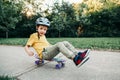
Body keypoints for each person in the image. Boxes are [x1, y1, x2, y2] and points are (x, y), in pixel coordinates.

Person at [24, 17, 90, 67]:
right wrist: (28, 51)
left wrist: (53, 47)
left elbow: (47, 45)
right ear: (37, 28)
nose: (43, 31)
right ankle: (75, 59)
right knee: (59, 44)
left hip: (48, 50)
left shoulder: (43, 36)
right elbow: (26, 46)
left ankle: (78, 54)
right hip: (44, 54)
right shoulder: (33, 36)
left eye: (45, 29)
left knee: (65, 42)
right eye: (41, 28)